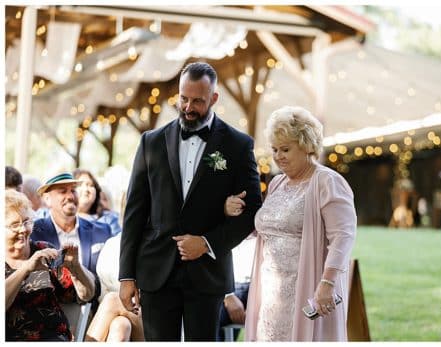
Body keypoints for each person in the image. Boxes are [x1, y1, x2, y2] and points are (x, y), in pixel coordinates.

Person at [118, 62, 263, 341]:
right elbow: (135, 213)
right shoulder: (151, 142)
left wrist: (207, 243)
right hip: (156, 270)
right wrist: (127, 276)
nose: (188, 107)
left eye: (198, 101)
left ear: (214, 99)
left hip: (208, 274)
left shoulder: (238, 144)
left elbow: (252, 210)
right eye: (184, 98)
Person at [239, 106, 357, 341]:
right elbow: (269, 227)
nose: (278, 156)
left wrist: (327, 283)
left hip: (307, 289)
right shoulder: (276, 184)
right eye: (274, 149)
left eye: (285, 149)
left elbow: (343, 236)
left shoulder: (327, 182)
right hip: (270, 293)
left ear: (305, 145)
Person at [6, 190, 96, 341]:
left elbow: (86, 295)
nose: (23, 229)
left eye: (27, 222)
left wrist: (75, 268)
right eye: (14, 225)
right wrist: (26, 268)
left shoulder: (43, 251)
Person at [73, 169, 122, 236]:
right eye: (80, 185)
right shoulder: (61, 221)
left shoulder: (110, 219)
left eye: (90, 185)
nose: (86, 189)